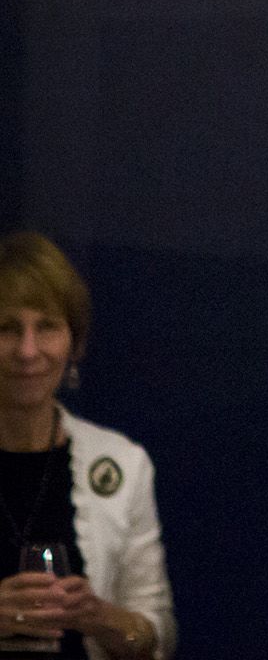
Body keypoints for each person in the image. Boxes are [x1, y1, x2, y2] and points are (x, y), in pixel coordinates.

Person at [0, 234, 172, 659]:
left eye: (47, 327)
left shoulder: (121, 464)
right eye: (6, 328)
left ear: (74, 345)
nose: (27, 351)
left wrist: (99, 616)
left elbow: (156, 638)